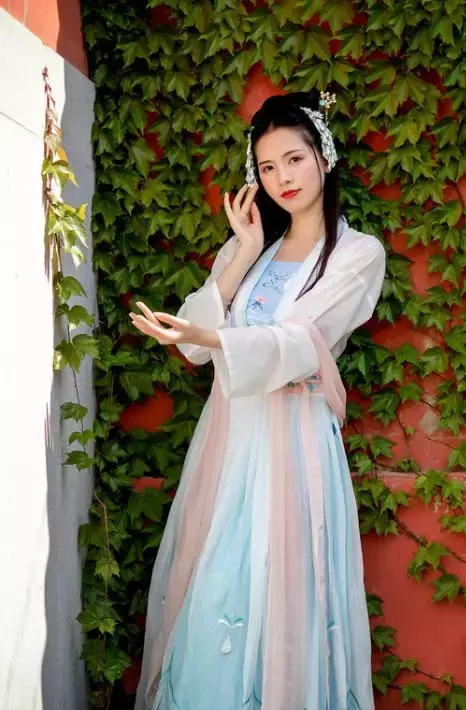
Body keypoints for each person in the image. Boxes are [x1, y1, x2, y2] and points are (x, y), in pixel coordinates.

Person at [129, 90, 385, 710]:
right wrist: (242, 251)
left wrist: (210, 337)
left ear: (324, 157)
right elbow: (194, 342)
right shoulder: (251, 249)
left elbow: (298, 342)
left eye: (294, 159)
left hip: (295, 446)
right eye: (267, 167)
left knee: (286, 590)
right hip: (230, 440)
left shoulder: (357, 254)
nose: (282, 178)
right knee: (214, 582)